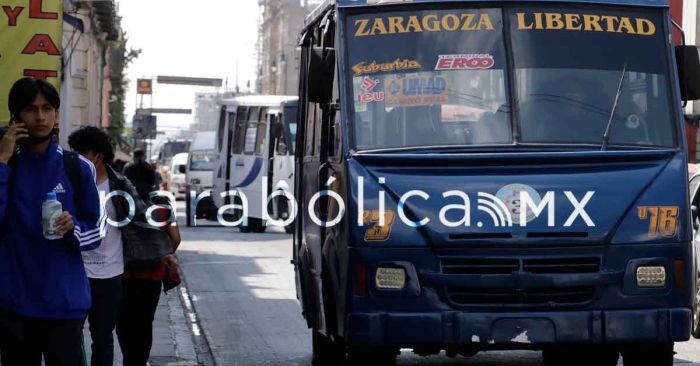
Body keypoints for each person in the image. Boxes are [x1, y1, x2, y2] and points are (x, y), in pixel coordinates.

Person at [0, 77, 105, 365]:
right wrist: (2, 162)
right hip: (15, 307)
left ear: (57, 114)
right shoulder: (7, 166)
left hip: (65, 308)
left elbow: (96, 232)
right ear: (16, 117)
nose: (40, 117)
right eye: (31, 109)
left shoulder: (77, 167)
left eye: (48, 108)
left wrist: (74, 229)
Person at [67, 126, 124, 366]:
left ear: (98, 155)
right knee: (69, 338)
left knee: (102, 338)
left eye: (83, 153)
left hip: (110, 275)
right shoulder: (71, 184)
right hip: (75, 273)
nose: (76, 158)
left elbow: (139, 225)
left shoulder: (120, 187)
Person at [116, 194, 181, 366]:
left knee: (124, 321)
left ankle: (128, 359)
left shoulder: (119, 203)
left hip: (123, 273)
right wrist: (162, 254)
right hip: (152, 276)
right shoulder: (163, 206)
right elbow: (176, 238)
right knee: (145, 322)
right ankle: (139, 362)